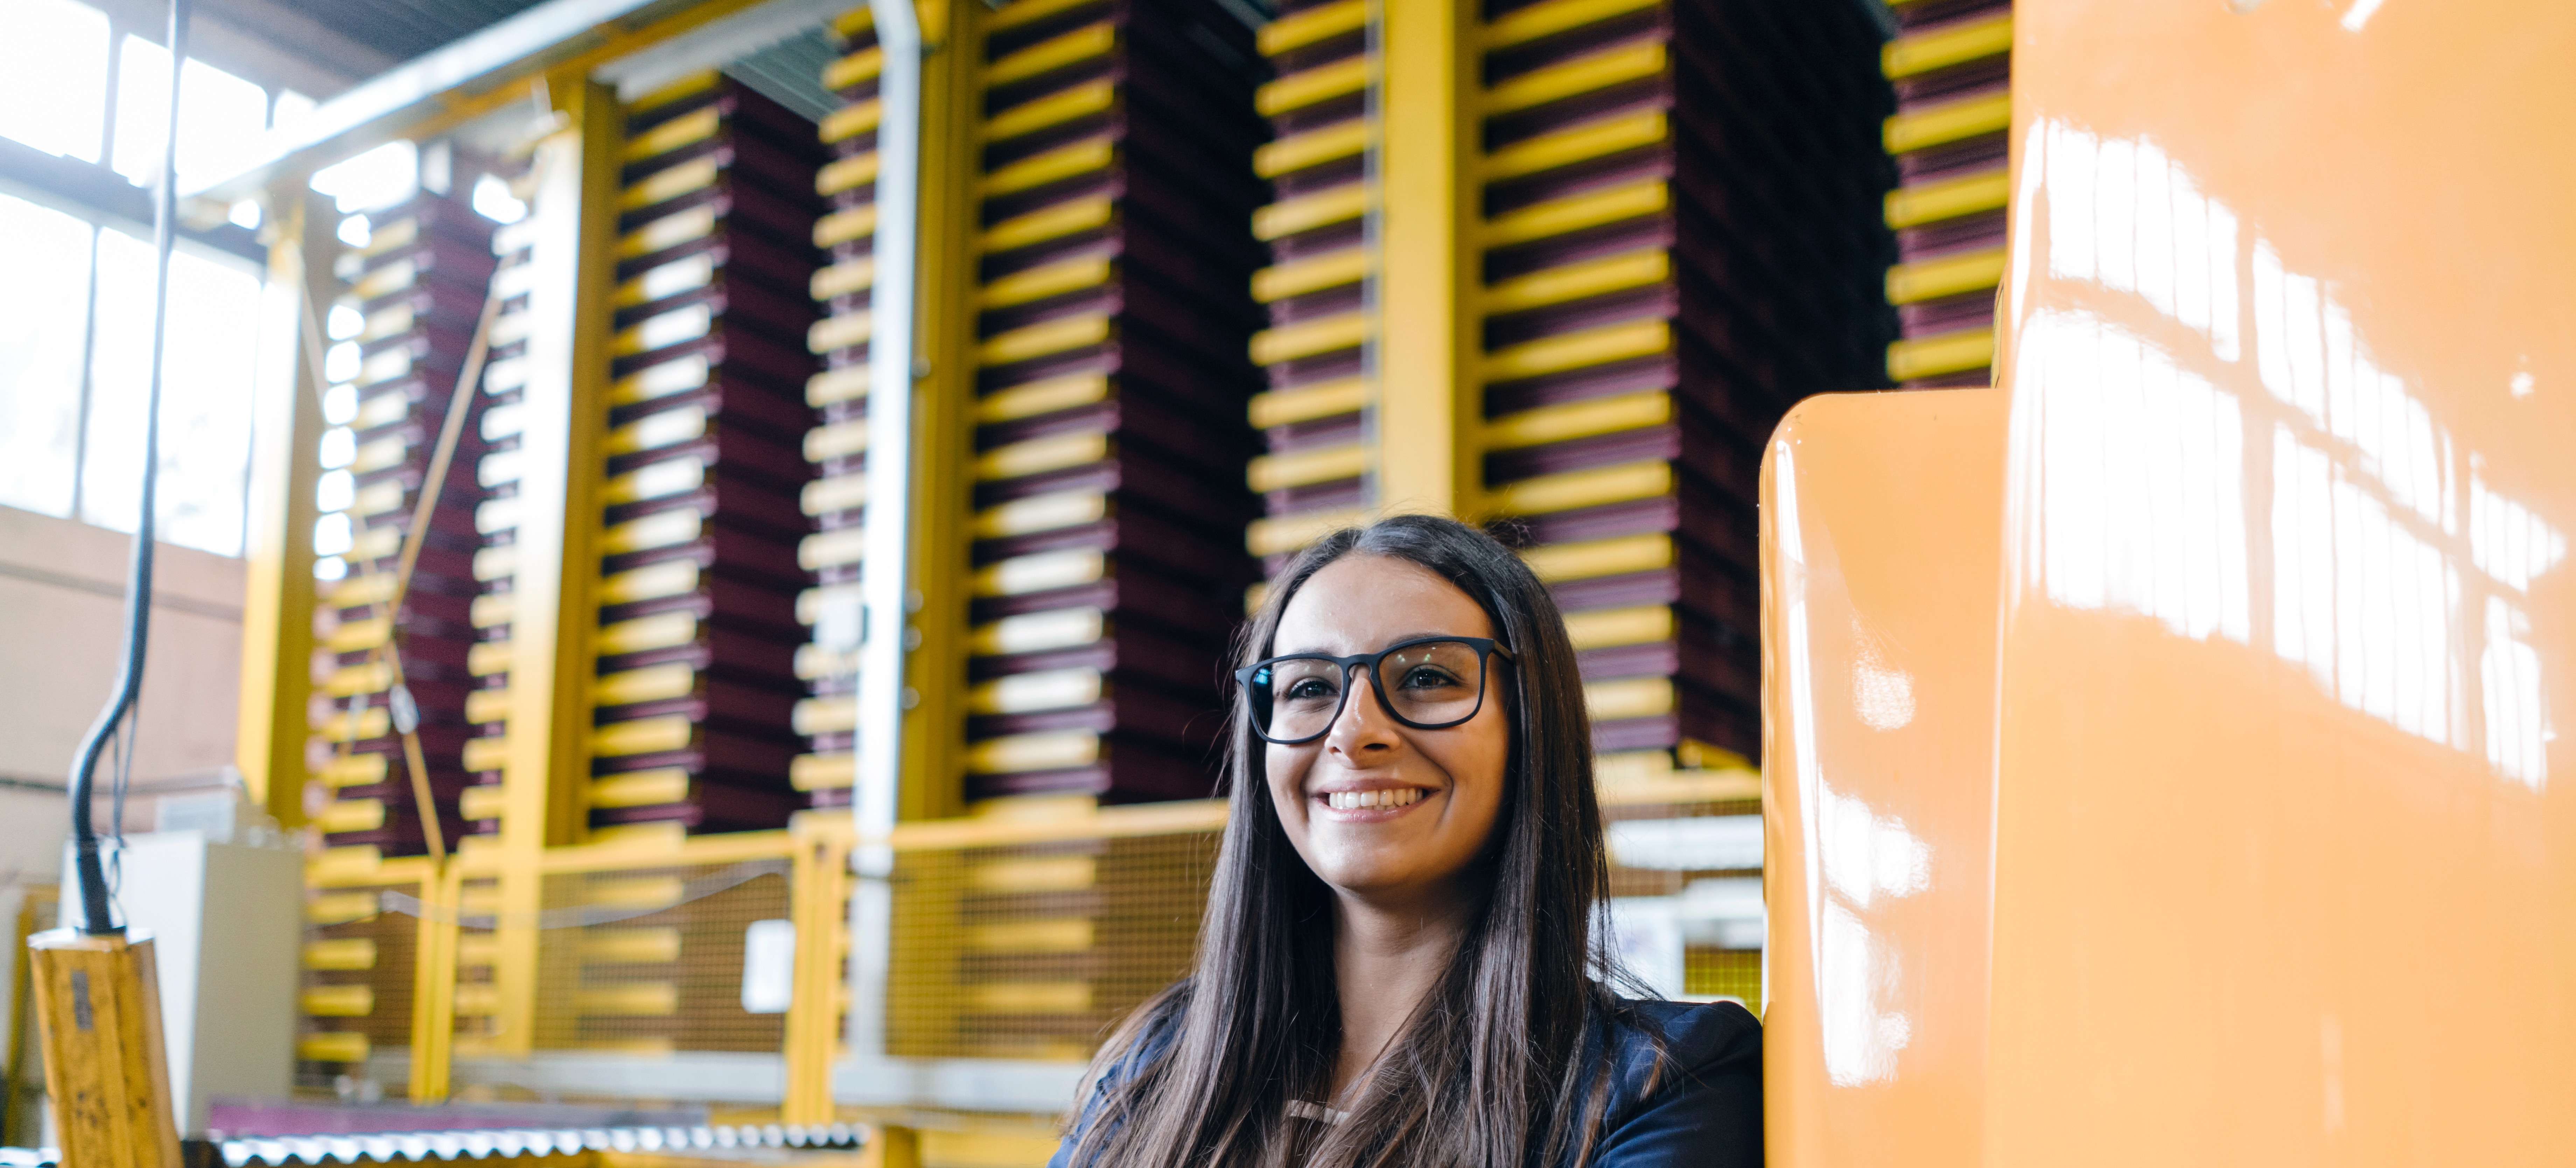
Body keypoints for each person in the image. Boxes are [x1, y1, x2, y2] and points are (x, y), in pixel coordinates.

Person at [1049, 514, 1761, 1167]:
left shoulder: (1663, 1087)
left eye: (1424, 677)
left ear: (1529, 726)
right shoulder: (1153, 1066)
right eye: (1306, 689)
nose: (1354, 731)